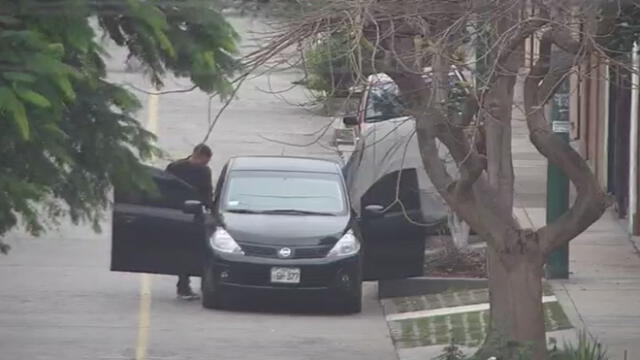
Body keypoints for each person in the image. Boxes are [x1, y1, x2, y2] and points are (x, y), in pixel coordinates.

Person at [166, 144, 214, 300]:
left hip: (191, 216)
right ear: (198, 156)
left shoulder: (178, 167)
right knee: (185, 252)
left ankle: (190, 284)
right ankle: (183, 286)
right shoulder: (176, 168)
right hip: (181, 216)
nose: (205, 165)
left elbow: (208, 195)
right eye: (204, 161)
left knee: (193, 253)